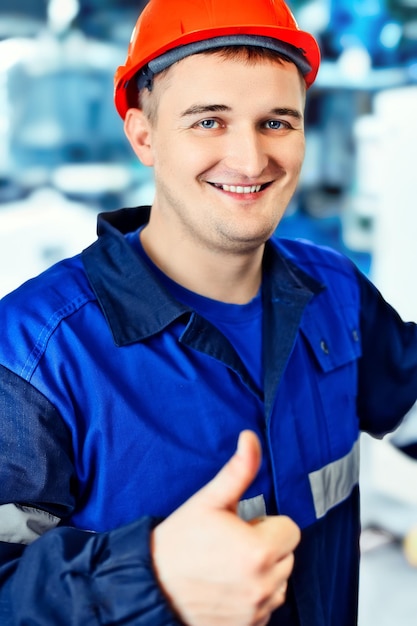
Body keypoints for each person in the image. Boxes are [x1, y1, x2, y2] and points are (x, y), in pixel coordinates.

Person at [0, 0, 416, 624]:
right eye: (208, 122)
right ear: (143, 135)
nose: (251, 161)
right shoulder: (36, 356)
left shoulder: (335, 292)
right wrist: (147, 579)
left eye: (277, 122)